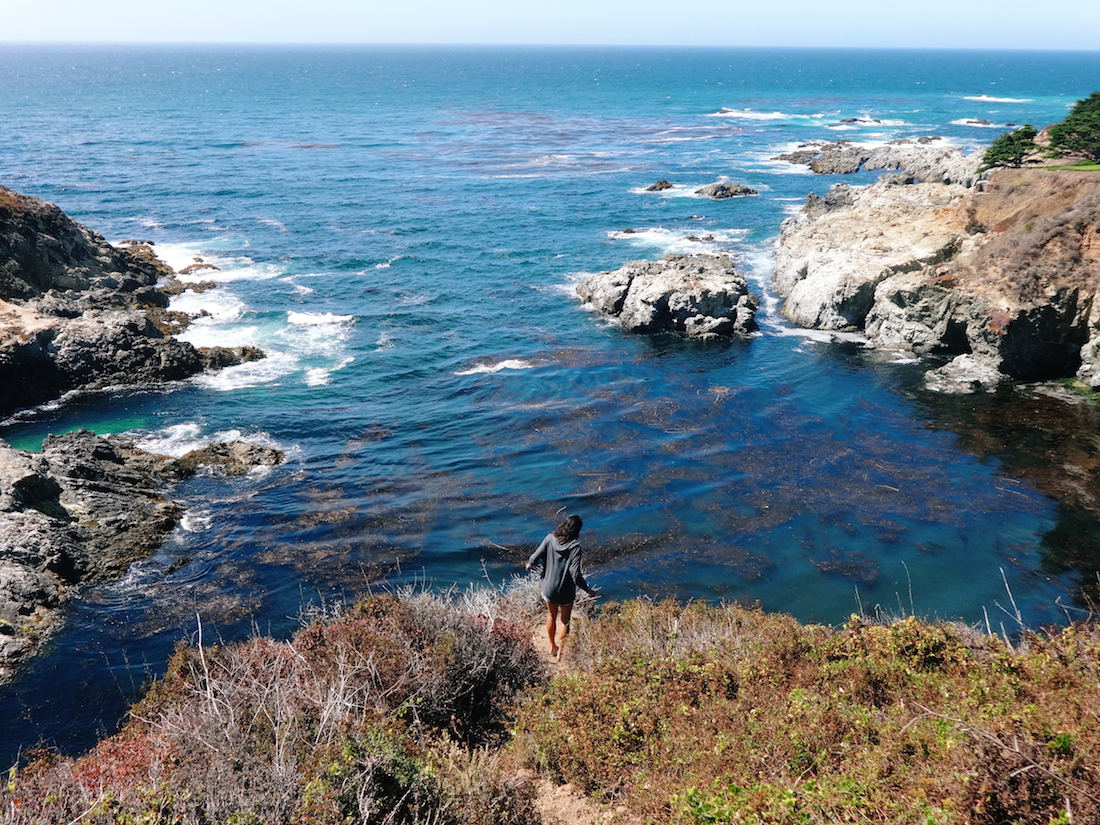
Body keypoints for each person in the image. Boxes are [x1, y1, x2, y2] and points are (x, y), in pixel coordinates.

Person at [525, 514, 599, 661]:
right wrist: (587, 590)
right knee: (565, 620)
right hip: (565, 590)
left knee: (551, 616)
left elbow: (535, 556)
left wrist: (530, 564)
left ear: (564, 525)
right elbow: (575, 574)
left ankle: (552, 646)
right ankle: (561, 653)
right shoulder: (575, 547)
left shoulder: (550, 538)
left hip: (548, 587)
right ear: (576, 530)